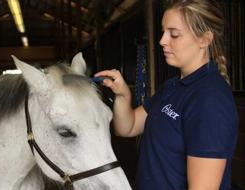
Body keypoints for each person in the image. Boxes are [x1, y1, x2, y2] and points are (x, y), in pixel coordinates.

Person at [94, 0, 239, 189]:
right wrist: (123, 94)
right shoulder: (172, 87)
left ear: (204, 39)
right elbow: (127, 128)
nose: (162, 41)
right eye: (164, 32)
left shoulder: (210, 100)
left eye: (174, 34)